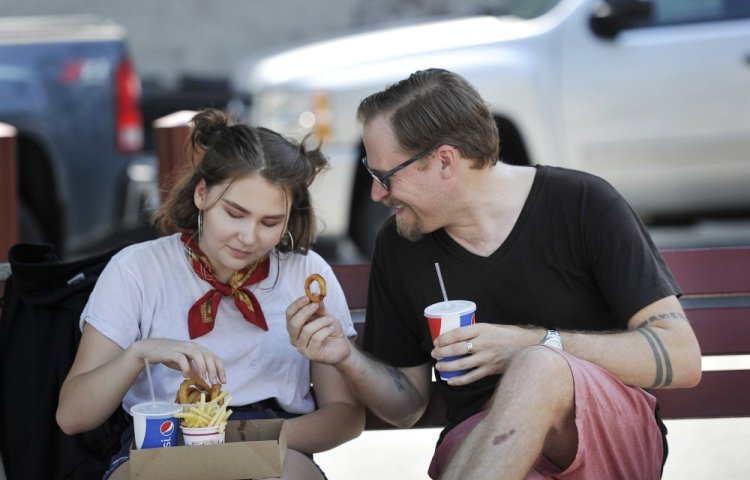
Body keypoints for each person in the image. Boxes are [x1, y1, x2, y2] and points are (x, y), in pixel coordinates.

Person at [286, 68, 702, 479]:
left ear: (444, 161)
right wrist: (346, 357)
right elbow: (407, 407)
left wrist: (532, 345)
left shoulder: (582, 204)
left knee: (539, 366)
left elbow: (682, 359)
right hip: (483, 447)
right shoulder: (400, 246)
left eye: (384, 176)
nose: (376, 192)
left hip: (605, 433)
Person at [56, 108, 365, 479]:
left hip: (275, 440)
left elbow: (345, 415)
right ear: (202, 193)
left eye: (270, 222)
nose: (249, 237)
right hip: (161, 439)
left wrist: (247, 440)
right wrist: (140, 354)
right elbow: (72, 416)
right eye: (234, 213)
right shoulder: (137, 269)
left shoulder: (306, 272)